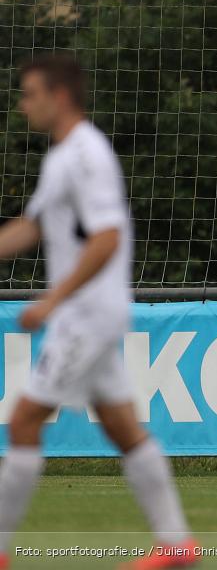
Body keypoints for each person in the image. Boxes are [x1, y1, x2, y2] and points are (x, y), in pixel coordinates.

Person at [0, 54, 198, 570]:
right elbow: (32, 226)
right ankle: (176, 545)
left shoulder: (86, 154)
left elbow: (108, 239)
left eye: (29, 94)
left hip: (85, 315)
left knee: (22, 421)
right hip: (91, 314)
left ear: (58, 96)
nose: (23, 105)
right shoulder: (63, 156)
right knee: (123, 429)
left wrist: (52, 299)